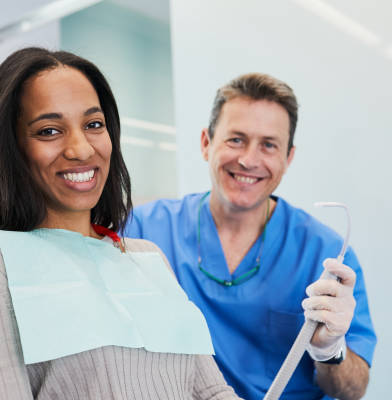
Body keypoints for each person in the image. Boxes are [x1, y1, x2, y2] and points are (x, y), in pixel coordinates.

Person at [0, 47, 242, 400]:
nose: (80, 149)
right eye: (49, 131)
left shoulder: (145, 257)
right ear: (11, 148)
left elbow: (212, 392)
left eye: (94, 125)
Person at [125, 73, 376, 400]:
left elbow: (353, 390)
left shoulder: (323, 253)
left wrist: (329, 349)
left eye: (268, 145)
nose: (248, 160)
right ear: (206, 143)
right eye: (236, 139)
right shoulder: (143, 229)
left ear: (288, 158)